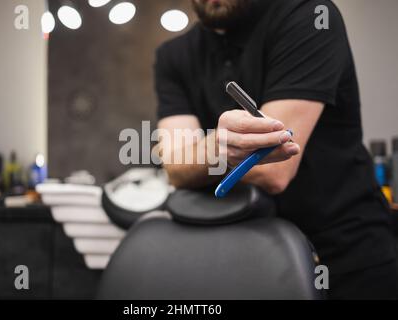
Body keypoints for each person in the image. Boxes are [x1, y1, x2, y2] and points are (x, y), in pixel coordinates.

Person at [154, 0, 398, 299]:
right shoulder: (172, 55)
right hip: (242, 257)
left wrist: (200, 157)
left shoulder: (310, 16)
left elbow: (274, 169)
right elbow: (175, 169)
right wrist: (216, 149)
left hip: (347, 255)